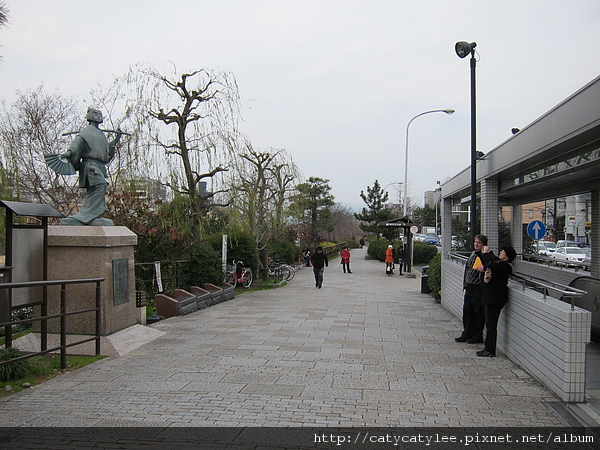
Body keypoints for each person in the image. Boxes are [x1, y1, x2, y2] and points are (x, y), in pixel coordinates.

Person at [60, 108, 122, 226]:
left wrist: (116, 140)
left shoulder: (101, 134)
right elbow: (77, 144)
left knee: (96, 189)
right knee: (100, 185)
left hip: (99, 166)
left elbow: (106, 151)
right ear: (89, 116)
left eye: (100, 114)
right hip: (90, 166)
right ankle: (85, 216)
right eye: (95, 114)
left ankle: (91, 216)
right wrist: (69, 153)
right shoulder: (86, 132)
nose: (98, 116)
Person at [475, 245, 517, 357]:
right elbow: (491, 262)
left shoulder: (505, 266)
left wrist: (487, 254)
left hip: (495, 299)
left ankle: (490, 349)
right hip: (490, 297)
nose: (501, 252)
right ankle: (488, 347)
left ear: (507, 256)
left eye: (503, 251)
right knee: (489, 323)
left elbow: (491, 264)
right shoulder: (499, 263)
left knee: (491, 325)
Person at [455, 234, 488, 344]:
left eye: (479, 242)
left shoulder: (484, 256)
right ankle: (467, 332)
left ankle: (477, 335)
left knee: (478, 313)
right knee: (467, 311)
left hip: (478, 287)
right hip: (469, 286)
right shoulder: (473, 254)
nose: (476, 244)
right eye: (475, 242)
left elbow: (489, 267)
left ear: (483, 244)